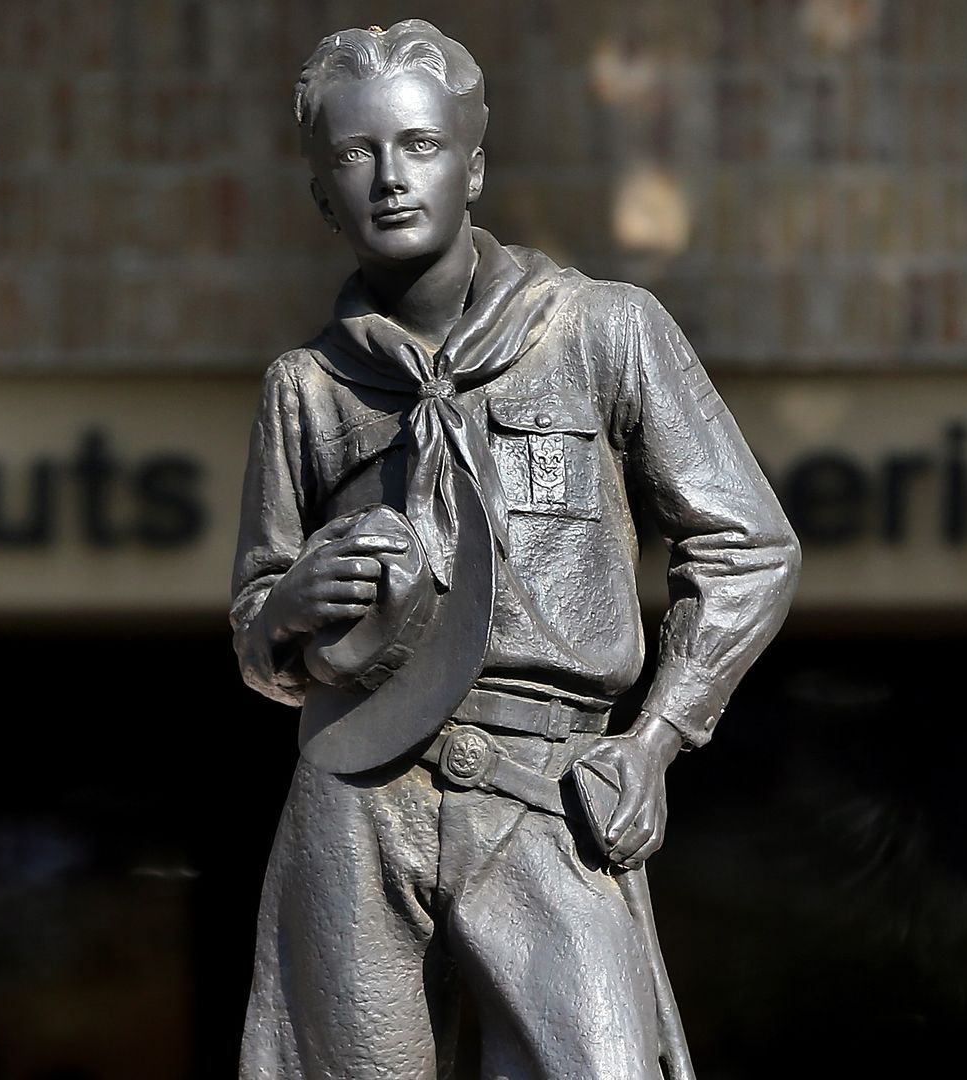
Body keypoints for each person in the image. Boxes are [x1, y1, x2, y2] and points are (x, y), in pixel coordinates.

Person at [230, 21, 801, 1080]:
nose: (391, 179)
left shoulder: (601, 332)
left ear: (474, 164)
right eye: (355, 157)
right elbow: (256, 639)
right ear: (320, 195)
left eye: (420, 144)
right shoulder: (303, 388)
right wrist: (289, 602)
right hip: (357, 795)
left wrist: (656, 740)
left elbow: (749, 547)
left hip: (545, 784)